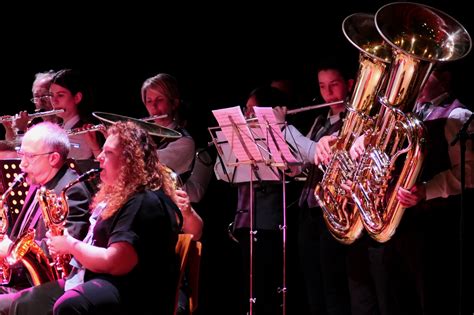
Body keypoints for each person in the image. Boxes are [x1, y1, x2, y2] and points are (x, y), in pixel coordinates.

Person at [8, 121, 182, 315]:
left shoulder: (142, 201)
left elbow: (116, 262)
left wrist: (70, 245)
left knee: (68, 304)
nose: (98, 157)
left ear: (130, 161)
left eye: (108, 153)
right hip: (102, 280)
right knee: (22, 304)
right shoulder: (120, 197)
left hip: (134, 292)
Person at [275, 58, 354, 315]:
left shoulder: (352, 122)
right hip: (308, 209)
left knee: (333, 286)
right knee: (313, 284)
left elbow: (325, 156)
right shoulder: (320, 121)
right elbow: (304, 164)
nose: (328, 93)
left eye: (334, 85)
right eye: (322, 86)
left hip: (334, 212)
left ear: (349, 84)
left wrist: (284, 129)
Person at [214, 85, 291, 315]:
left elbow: (292, 165)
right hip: (244, 222)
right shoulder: (241, 138)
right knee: (247, 289)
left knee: (266, 285)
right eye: (245, 110)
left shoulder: (278, 135)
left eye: (251, 110)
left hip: (269, 223)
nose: (247, 115)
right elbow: (221, 171)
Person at [0, 122, 92, 312]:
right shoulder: (39, 183)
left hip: (45, 286)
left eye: (30, 156)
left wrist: (10, 249)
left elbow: (64, 254)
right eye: (21, 153)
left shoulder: (71, 191)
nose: (22, 163)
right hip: (22, 277)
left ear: (54, 158)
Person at [141, 73, 195, 179]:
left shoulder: (184, 142)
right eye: (149, 101)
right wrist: (99, 146)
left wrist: (122, 143)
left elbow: (147, 164)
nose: (153, 106)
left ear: (174, 103)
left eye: (159, 100)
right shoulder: (142, 134)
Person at [48, 69, 102, 160]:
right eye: (51, 95)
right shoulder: (56, 129)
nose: (54, 101)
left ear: (77, 98)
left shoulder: (85, 134)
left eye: (60, 95)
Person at [1, 70, 60, 143]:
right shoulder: (34, 129)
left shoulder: (66, 126)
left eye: (45, 95)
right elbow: (14, 151)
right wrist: (10, 130)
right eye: (36, 96)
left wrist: (20, 131)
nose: (40, 101)